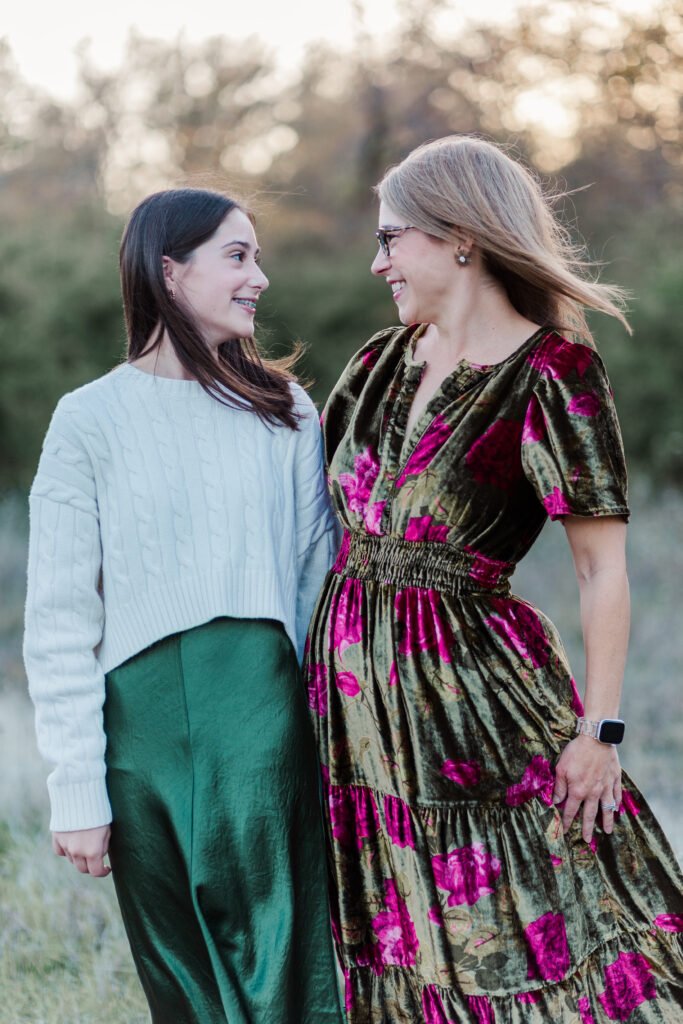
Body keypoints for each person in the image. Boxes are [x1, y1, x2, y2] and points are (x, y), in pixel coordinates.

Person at [305, 136, 683, 1022]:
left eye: (390, 238)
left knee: (535, 916)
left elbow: (600, 568)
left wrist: (599, 731)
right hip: (357, 713)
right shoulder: (375, 365)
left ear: (460, 237)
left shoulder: (553, 372)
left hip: (475, 702)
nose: (377, 263)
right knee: (405, 932)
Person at [23, 187, 344, 1024]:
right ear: (169, 271)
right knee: (186, 985)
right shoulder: (87, 420)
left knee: (289, 969)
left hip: (265, 726)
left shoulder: (287, 412)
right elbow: (58, 619)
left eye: (258, 258)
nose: (259, 278)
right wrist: (77, 787)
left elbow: (317, 585)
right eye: (237, 256)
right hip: (143, 739)